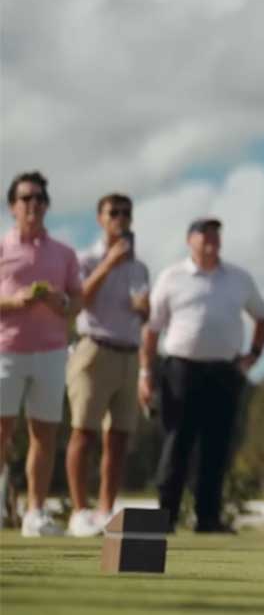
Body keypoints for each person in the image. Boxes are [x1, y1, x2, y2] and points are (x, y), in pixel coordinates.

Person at [139, 217, 264, 533]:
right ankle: (165, 517)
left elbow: (263, 317)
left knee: (217, 446)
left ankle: (208, 518)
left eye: (215, 234)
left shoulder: (238, 278)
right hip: (181, 370)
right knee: (177, 443)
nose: (211, 240)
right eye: (204, 234)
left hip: (224, 372)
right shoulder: (172, 277)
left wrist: (252, 356)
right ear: (190, 240)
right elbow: (152, 329)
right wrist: (146, 373)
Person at [65, 193, 152, 538]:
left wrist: (144, 308)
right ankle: (79, 511)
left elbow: (144, 313)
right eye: (113, 213)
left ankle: (104, 510)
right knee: (83, 433)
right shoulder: (85, 259)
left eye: (125, 213)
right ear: (100, 218)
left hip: (129, 353)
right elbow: (79, 300)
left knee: (118, 438)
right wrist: (110, 263)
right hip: (94, 350)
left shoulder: (140, 266)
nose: (120, 218)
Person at [0, 171, 82, 537]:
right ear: (12, 207)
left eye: (40, 199)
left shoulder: (63, 253)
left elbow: (76, 302)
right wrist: (14, 300)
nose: (34, 205)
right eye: (26, 198)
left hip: (50, 354)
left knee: (44, 435)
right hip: (6, 351)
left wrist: (57, 299)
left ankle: (35, 513)